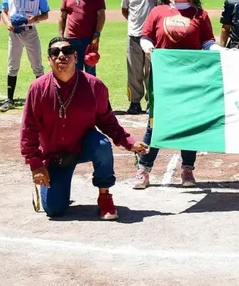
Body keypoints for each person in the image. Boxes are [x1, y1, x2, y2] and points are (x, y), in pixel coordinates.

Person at [21, 36, 149, 221]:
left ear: (76, 57)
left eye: (67, 51)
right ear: (49, 60)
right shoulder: (38, 88)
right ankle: (56, 191)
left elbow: (107, 121)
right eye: (55, 52)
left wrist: (128, 142)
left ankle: (104, 196)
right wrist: (36, 165)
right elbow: (28, 130)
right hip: (55, 155)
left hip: (83, 146)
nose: (61, 56)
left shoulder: (94, 86)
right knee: (54, 210)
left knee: (101, 145)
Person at [136, 0, 219, 189]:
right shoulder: (158, 11)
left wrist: (222, 51)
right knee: (156, 123)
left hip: (191, 78)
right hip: (163, 78)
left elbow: (207, 43)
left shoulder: (200, 15)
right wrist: (148, 48)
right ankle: (143, 169)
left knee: (189, 123)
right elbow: (146, 37)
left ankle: (187, 169)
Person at [1, 0, 50, 111]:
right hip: (14, 33)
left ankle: (43, 100)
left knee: (37, 65)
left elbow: (46, 14)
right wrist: (8, 23)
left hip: (30, 32)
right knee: (12, 65)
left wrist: (36, 18)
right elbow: (4, 12)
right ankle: (9, 99)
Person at [120, 0, 163, 115]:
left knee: (151, 72)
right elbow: (125, 10)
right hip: (134, 35)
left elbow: (163, 4)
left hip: (153, 37)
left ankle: (152, 102)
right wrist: (134, 24)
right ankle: (135, 102)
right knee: (134, 71)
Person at [59, 0, 105, 75]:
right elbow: (62, 17)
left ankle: (90, 87)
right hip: (71, 39)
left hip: (89, 39)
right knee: (73, 71)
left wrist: (96, 35)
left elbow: (101, 16)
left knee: (90, 69)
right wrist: (61, 36)